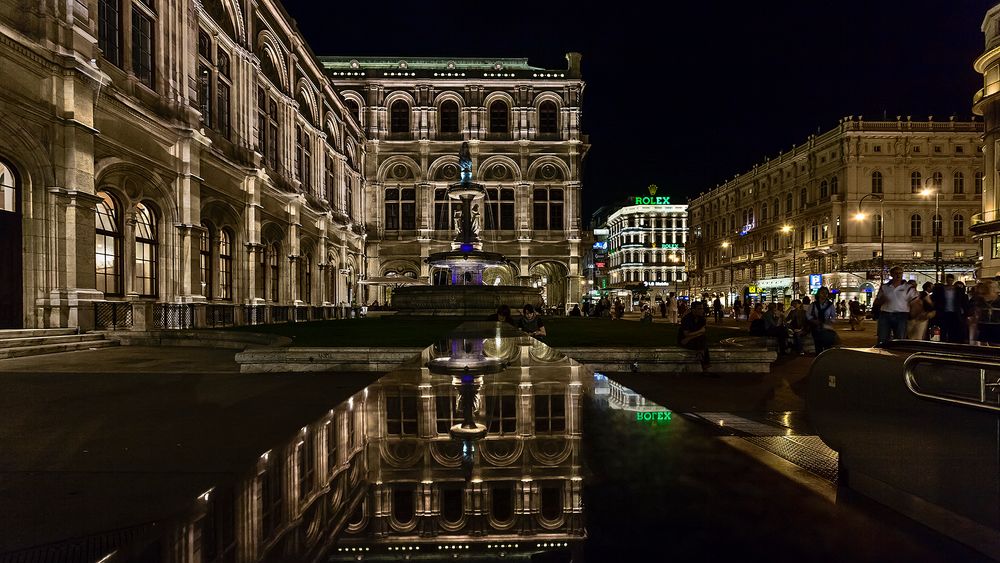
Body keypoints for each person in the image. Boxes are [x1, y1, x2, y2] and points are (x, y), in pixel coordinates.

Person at [874, 266, 916, 345]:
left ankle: (898, 355)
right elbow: (876, 302)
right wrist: (882, 300)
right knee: (882, 339)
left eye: (900, 273)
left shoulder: (908, 288)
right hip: (885, 314)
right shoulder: (885, 287)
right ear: (891, 274)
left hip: (901, 315)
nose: (898, 275)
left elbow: (915, 302)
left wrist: (913, 314)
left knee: (900, 339)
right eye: (896, 273)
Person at [807, 286, 839, 354]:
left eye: (826, 293)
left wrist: (830, 321)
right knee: (818, 345)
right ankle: (818, 359)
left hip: (826, 328)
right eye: (822, 293)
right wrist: (813, 320)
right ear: (818, 294)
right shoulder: (813, 304)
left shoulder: (830, 305)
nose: (824, 295)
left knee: (827, 345)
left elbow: (833, 317)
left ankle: (825, 360)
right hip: (816, 327)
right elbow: (808, 315)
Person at [678, 300, 709, 369]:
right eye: (700, 309)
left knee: (702, 339)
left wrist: (690, 337)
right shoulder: (686, 319)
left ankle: (703, 363)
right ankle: (705, 366)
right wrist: (699, 332)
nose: (702, 310)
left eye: (702, 308)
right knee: (703, 341)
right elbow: (686, 334)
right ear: (693, 310)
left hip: (689, 340)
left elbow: (703, 332)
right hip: (684, 341)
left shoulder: (702, 319)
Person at [973, 280, 1000, 346]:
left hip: (996, 324)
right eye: (990, 287)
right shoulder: (981, 300)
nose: (991, 289)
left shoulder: (998, 300)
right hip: (984, 324)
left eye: (992, 287)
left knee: (995, 344)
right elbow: (977, 312)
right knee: (984, 345)